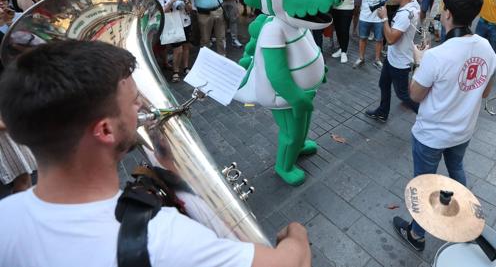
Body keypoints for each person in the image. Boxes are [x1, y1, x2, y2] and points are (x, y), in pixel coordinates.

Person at [0, 40, 312, 267]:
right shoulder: (165, 239)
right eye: (135, 101)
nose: (145, 109)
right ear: (105, 131)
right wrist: (296, 234)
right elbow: (289, 263)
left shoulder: (7, 217)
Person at [392, 0, 496, 252]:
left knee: (424, 186)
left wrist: (419, 60)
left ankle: (416, 234)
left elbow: (414, 95)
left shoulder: (437, 56)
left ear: (448, 13)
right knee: (456, 170)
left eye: (442, 10)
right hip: (463, 131)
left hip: (431, 135)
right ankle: (465, 219)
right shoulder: (486, 46)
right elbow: (484, 90)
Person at [364, 0, 420, 122]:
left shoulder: (404, 15)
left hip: (400, 61)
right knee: (383, 83)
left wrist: (384, 18)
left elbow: (390, 39)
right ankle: (382, 112)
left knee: (403, 95)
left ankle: (427, 117)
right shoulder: (413, 2)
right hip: (393, 58)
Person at [352, 0, 392, 68]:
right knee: (363, 38)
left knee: (379, 39)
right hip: (365, 16)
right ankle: (361, 58)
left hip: (379, 17)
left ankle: (377, 59)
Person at [157, 0, 192, 82]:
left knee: (186, 47)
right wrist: (172, 1)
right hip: (173, 24)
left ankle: (186, 67)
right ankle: (176, 71)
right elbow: (162, 11)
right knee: (178, 49)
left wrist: (185, 1)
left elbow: (189, 9)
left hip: (185, 22)